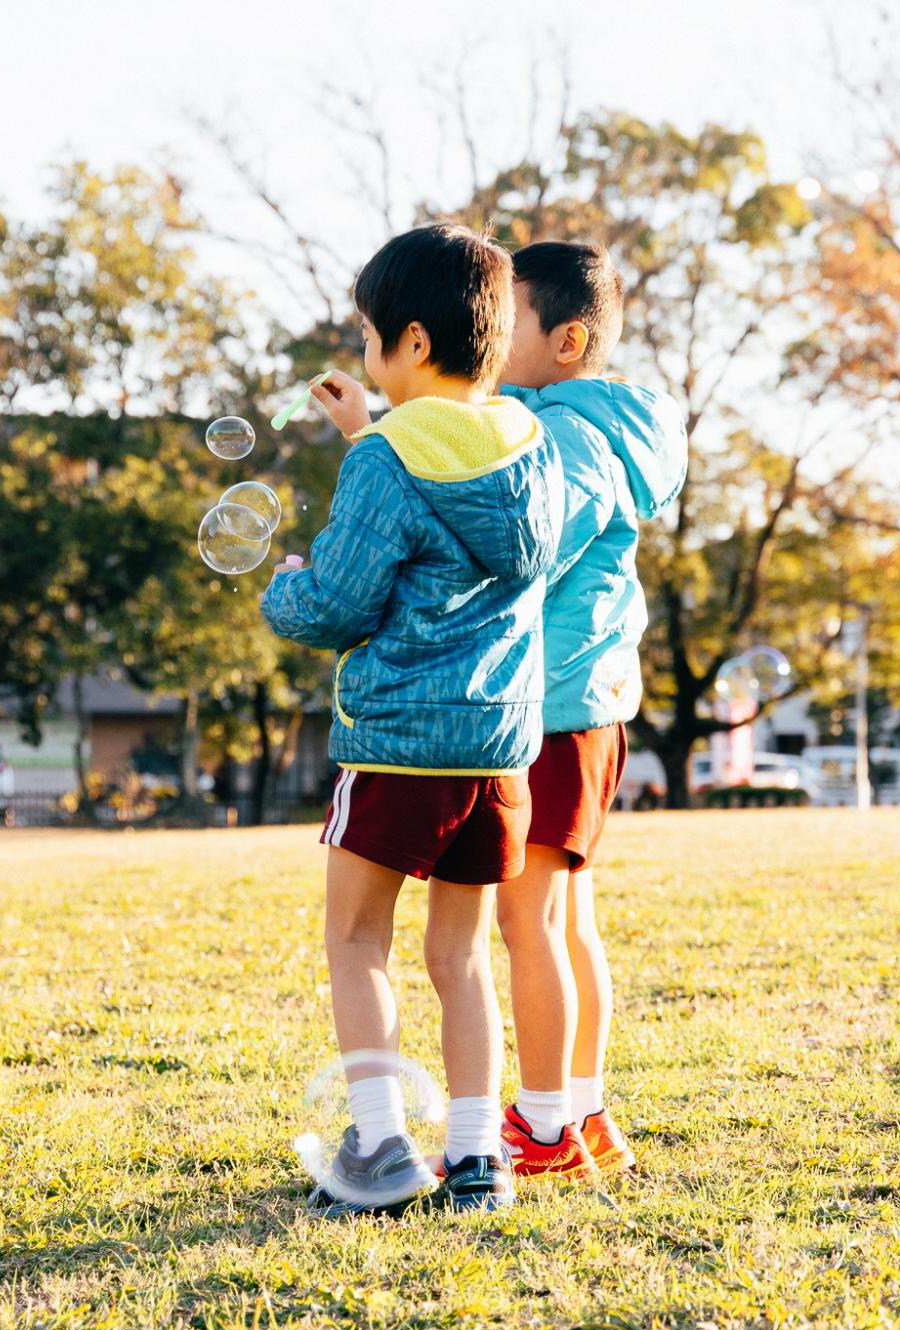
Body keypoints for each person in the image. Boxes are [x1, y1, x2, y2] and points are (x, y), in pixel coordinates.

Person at [261, 223, 563, 1214]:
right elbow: (454, 508)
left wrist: (284, 589)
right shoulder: (530, 446)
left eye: (368, 335)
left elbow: (341, 601)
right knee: (461, 953)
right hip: (493, 753)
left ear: (414, 345)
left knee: (356, 940)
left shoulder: (385, 459)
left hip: (394, 744)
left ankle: (383, 1149)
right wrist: (369, 428)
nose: (363, 353)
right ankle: (477, 1159)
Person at [492, 240, 688, 1178]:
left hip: (558, 706)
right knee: (566, 919)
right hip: (589, 704)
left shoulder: (572, 438)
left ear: (566, 339)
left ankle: (540, 1127)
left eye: (506, 316)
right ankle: (583, 1109)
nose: (489, 336)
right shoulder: (591, 421)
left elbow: (529, 542)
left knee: (526, 921)